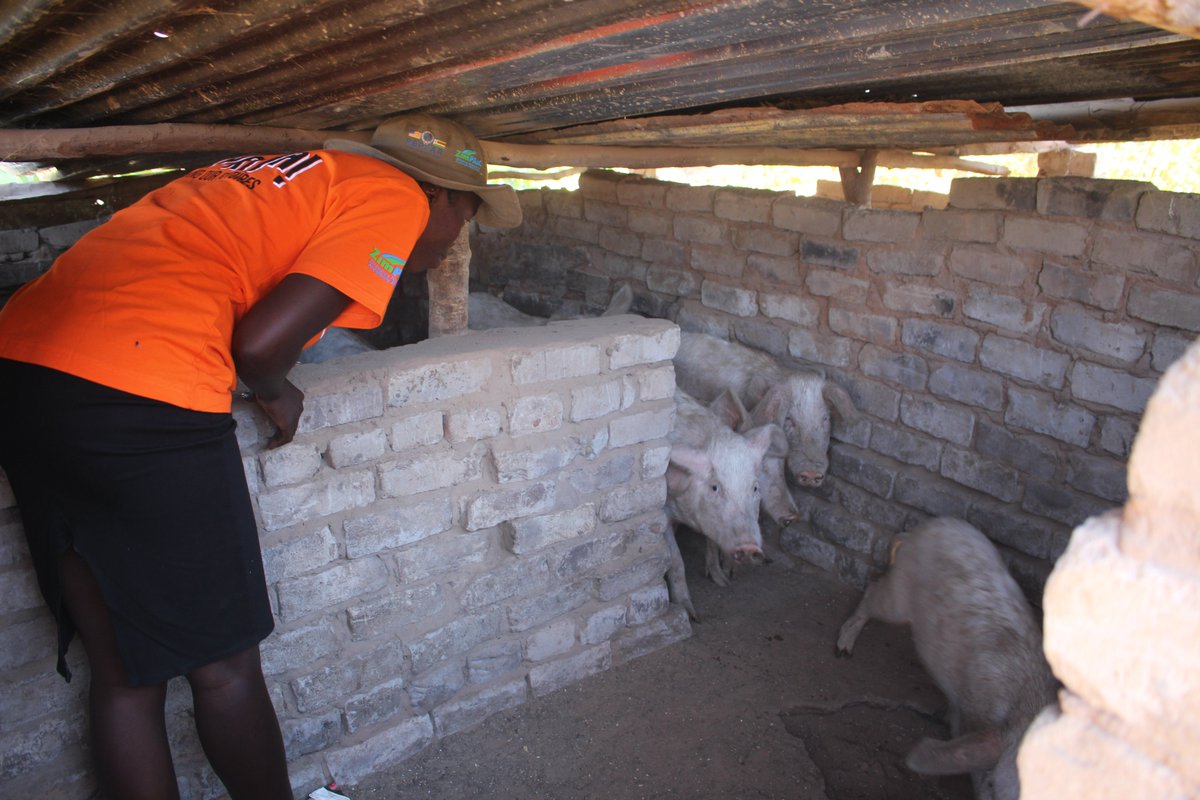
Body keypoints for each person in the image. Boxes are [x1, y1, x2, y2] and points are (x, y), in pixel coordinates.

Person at [0, 113, 521, 799]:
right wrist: (275, 391)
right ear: (445, 198)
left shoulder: (287, 174)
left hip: (25, 371)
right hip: (141, 392)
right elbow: (259, 345)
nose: (457, 235)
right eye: (467, 216)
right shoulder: (394, 196)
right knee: (224, 667)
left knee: (126, 674)